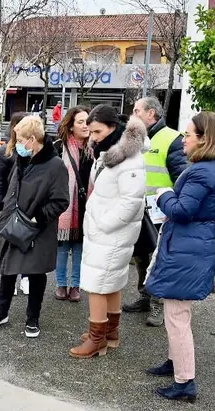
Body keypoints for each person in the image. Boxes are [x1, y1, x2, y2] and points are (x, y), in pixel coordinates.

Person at [144, 112, 215, 402]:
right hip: (189, 245)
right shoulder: (208, 167)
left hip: (187, 247)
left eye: (189, 134)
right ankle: (175, 363)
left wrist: (163, 194)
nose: (183, 140)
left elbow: (181, 210)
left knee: (177, 316)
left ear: (205, 139)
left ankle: (184, 382)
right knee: (176, 312)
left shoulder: (203, 171)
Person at [70, 106, 145, 358]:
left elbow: (132, 201)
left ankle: (96, 340)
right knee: (110, 283)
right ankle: (108, 333)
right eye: (91, 132)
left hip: (111, 233)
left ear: (114, 127)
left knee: (97, 285)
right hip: (106, 233)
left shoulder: (130, 160)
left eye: (98, 131)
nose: (93, 137)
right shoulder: (109, 153)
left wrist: (103, 224)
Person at [0, 115, 69, 338]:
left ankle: (33, 318)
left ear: (32, 139)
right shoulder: (22, 159)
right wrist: (3, 213)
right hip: (13, 224)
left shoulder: (55, 165)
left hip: (36, 229)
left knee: (35, 273)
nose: (17, 144)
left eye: (21, 139)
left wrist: (37, 219)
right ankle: (1, 312)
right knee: (8, 269)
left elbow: (61, 201)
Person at [124, 96, 189, 327]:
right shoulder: (135, 139)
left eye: (137, 110)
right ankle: (144, 295)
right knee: (141, 256)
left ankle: (157, 303)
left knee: (159, 259)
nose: (133, 115)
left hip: (162, 211)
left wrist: (175, 207)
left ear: (151, 113)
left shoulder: (172, 139)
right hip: (139, 209)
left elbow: (182, 177)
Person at [52, 106, 91, 302]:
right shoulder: (59, 146)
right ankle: (61, 284)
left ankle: (76, 286)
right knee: (61, 246)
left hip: (86, 205)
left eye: (87, 121)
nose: (85, 126)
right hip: (63, 205)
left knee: (79, 248)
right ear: (71, 125)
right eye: (80, 122)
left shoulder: (95, 148)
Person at [0, 112, 29, 294]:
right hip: (7, 208)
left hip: (27, 209)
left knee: (27, 245)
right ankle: (9, 279)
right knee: (7, 244)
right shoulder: (4, 152)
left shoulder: (32, 151)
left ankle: (25, 278)